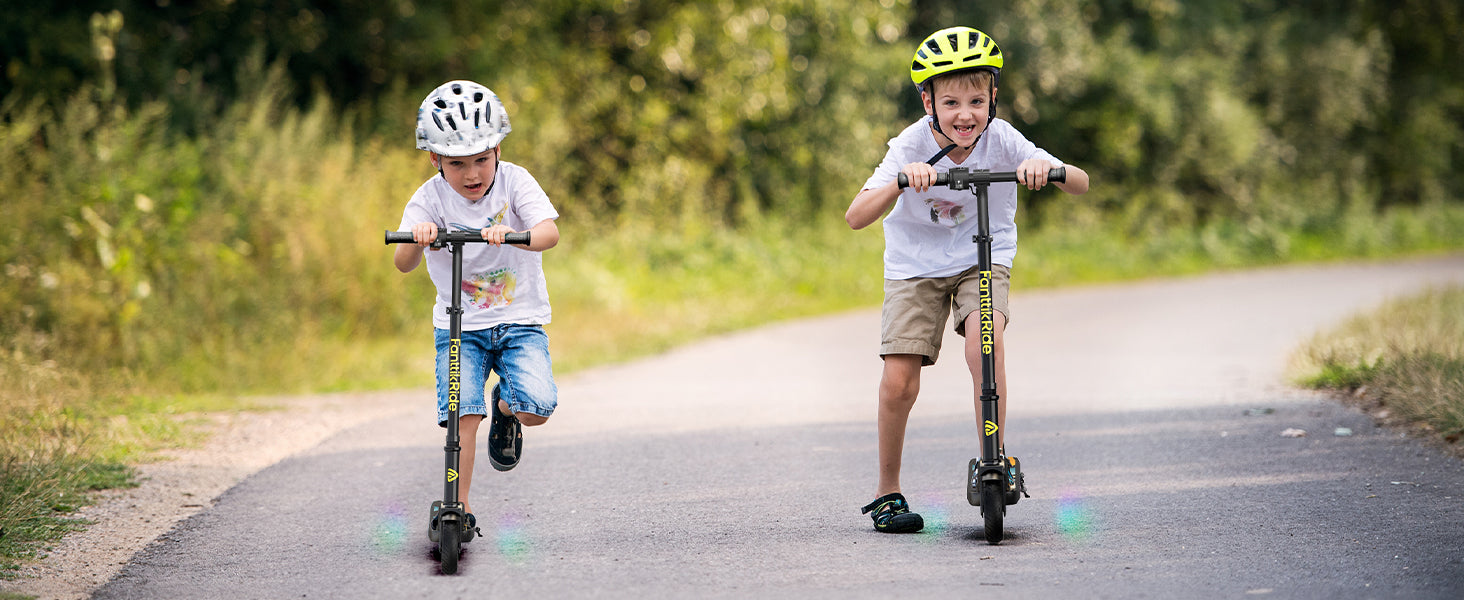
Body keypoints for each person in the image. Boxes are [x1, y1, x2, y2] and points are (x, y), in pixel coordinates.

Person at [845, 27, 1090, 533]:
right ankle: (887, 491)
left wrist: (1048, 169)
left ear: (993, 98)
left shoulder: (1002, 139)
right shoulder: (909, 144)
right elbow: (855, 216)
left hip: (983, 256)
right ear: (927, 100)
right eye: (951, 101)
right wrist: (899, 181)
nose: (965, 114)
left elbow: (1080, 183)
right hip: (914, 267)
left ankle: (993, 460)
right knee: (899, 381)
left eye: (977, 100)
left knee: (985, 345)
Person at [393, 80, 561, 533]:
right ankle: (457, 509)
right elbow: (402, 262)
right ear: (435, 160)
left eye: (482, 160)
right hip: (458, 328)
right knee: (460, 417)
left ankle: (506, 411)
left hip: (518, 320)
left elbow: (548, 232)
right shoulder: (429, 198)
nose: (472, 174)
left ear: (498, 149)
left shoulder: (515, 181)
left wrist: (512, 234)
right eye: (457, 164)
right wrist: (420, 235)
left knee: (537, 407)